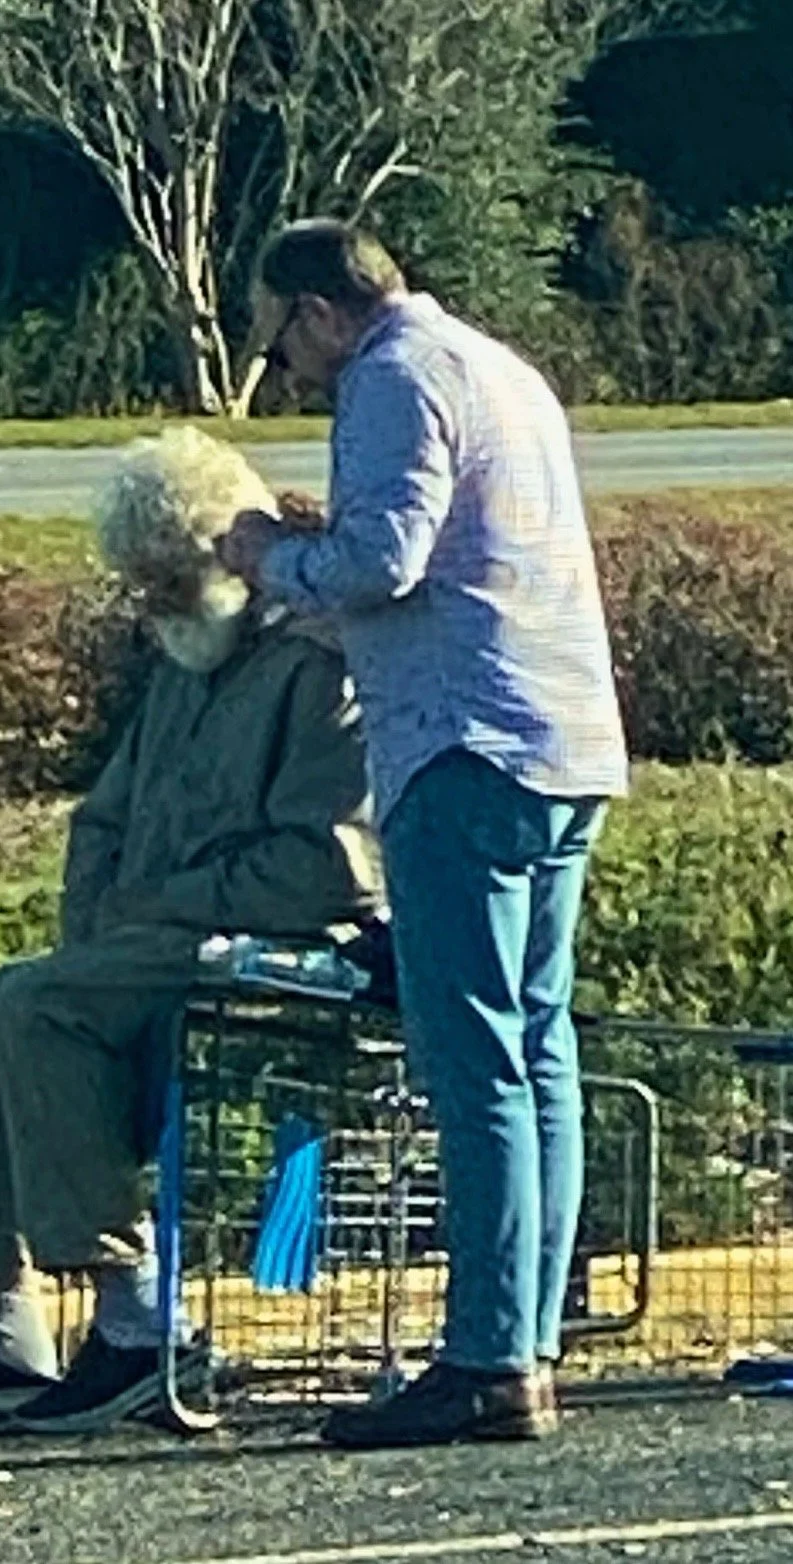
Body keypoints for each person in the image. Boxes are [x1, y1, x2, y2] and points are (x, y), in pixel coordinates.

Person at [0, 427, 380, 1438]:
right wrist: (95, 926)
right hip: (159, 938)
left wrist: (148, 912)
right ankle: (5, 1326)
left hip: (282, 942)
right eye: (137, 585)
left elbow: (329, 870)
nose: (150, 605)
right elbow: (104, 819)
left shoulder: (319, 668)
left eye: (165, 580)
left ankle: (141, 1320)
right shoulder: (190, 656)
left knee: (41, 1007)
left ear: (229, 555)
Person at [220, 219, 628, 1448]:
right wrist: (322, 594)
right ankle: (529, 1337)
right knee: (538, 1047)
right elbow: (457, 564)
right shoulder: (497, 366)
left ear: (320, 311)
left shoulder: (391, 378)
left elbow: (385, 559)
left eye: (279, 340)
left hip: (462, 754)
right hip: (561, 741)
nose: (285, 369)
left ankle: (487, 1361)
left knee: (474, 1057)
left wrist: (270, 556)